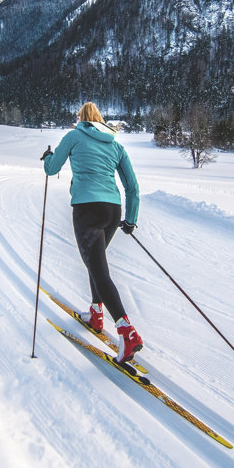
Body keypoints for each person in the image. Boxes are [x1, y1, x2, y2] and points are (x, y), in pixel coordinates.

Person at [41, 102, 143, 363]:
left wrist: (48, 157)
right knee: (95, 263)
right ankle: (96, 313)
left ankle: (126, 331)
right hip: (113, 210)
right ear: (100, 120)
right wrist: (130, 220)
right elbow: (132, 187)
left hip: (87, 209)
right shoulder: (116, 145)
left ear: (81, 119)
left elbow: (52, 169)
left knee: (98, 269)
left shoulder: (74, 136)